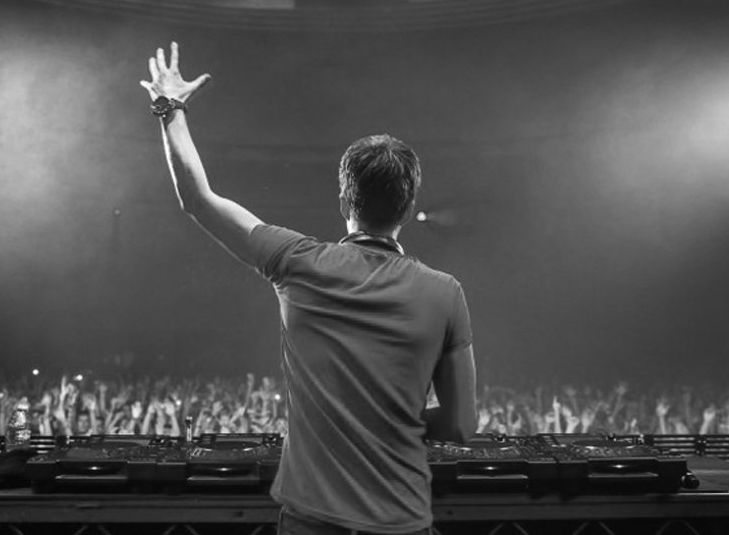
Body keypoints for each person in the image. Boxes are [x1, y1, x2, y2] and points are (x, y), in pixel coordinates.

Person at [139, 42, 477, 535]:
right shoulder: (446, 293)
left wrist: (170, 108)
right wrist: (390, 424)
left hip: (312, 520)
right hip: (401, 520)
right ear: (408, 208)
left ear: (344, 200)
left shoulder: (297, 263)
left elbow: (197, 199)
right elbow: (462, 425)